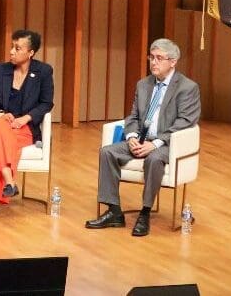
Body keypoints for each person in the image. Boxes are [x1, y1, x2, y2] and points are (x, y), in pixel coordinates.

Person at [86, 38, 200, 237]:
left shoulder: (187, 87)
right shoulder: (143, 84)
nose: (153, 62)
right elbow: (134, 116)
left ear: (173, 61)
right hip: (141, 138)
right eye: (151, 57)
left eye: (159, 58)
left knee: (154, 159)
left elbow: (185, 122)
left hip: (167, 143)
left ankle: (145, 213)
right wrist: (131, 136)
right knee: (107, 152)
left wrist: (154, 144)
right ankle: (114, 211)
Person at [0, 30, 54, 222]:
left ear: (31, 52)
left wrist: (26, 118)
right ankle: (8, 180)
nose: (11, 51)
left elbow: (46, 104)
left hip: (22, 128)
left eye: (17, 48)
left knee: (0, 148)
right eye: (12, 46)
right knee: (1, 129)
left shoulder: (43, 72)